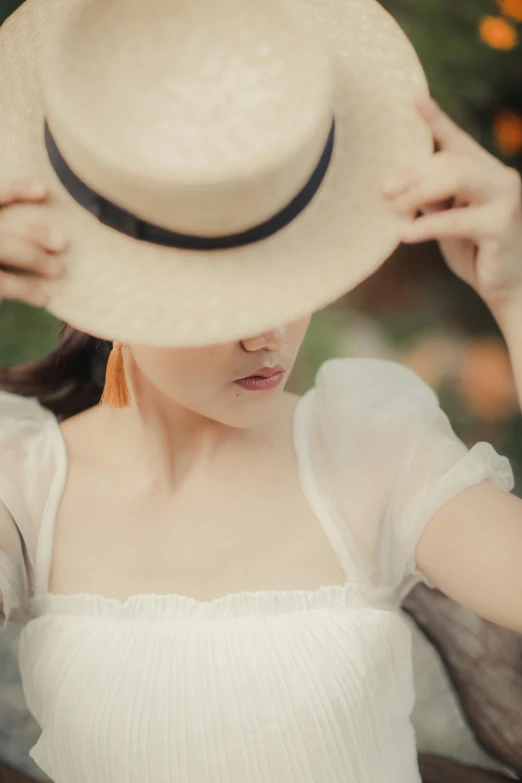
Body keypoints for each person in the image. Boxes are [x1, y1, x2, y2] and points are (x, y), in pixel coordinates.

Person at [0, 0, 521, 781]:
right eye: (225, 298)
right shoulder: (27, 491)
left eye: (288, 272)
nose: (269, 332)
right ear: (111, 283)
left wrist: (518, 295)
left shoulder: (370, 451)